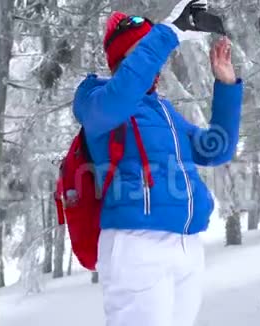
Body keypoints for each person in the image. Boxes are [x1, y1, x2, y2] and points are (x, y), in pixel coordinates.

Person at [72, 1, 244, 325]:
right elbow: (121, 96)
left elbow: (216, 148)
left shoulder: (162, 111)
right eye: (144, 48)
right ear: (124, 58)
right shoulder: (95, 98)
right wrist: (167, 33)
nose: (157, 60)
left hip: (186, 244)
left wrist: (226, 86)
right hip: (136, 245)